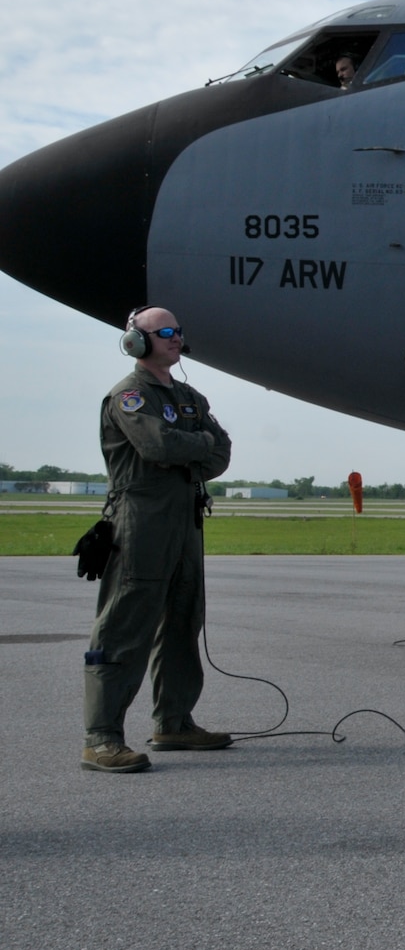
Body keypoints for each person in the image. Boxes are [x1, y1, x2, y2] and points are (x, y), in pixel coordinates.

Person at [81, 308, 234, 773]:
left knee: (184, 621)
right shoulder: (128, 395)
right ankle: (102, 737)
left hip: (185, 522)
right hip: (140, 521)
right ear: (136, 342)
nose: (175, 338)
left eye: (178, 331)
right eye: (164, 332)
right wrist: (198, 445)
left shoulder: (189, 395)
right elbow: (158, 446)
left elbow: (222, 452)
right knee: (125, 626)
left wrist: (196, 447)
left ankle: (174, 721)